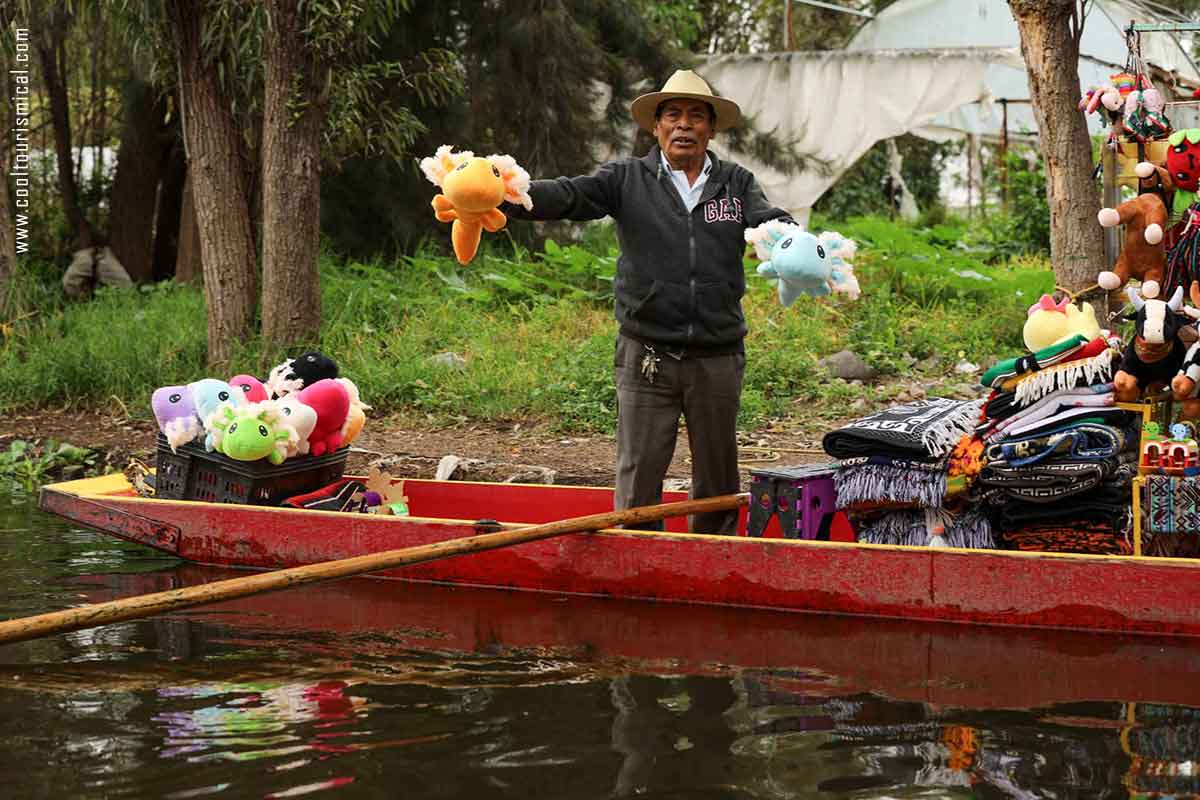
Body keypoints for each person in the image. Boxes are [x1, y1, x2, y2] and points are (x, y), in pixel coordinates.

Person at [503, 70, 795, 534]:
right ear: (655, 127)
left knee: (718, 479)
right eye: (673, 115)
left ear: (711, 128)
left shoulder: (736, 184)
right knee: (638, 476)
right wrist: (502, 193)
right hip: (647, 355)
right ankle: (636, 566)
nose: (683, 125)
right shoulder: (626, 178)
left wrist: (795, 242)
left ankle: (711, 565)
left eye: (695, 116)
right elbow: (567, 195)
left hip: (717, 355)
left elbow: (770, 225)